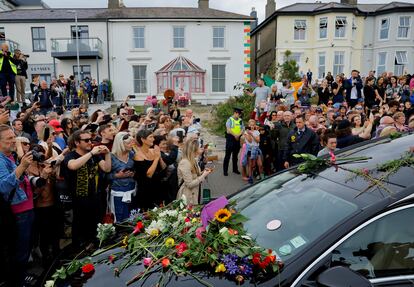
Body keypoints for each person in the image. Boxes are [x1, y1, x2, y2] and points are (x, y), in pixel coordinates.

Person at [63, 130, 111, 247]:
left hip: (95, 197)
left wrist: (107, 154)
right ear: (77, 142)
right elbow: (73, 166)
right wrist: (91, 154)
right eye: (86, 140)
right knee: (80, 230)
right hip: (79, 199)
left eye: (91, 139)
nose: (90, 142)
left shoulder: (95, 155)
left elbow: (106, 168)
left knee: (95, 229)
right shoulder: (71, 155)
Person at [0, 125, 34, 286]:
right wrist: (22, 166)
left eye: (14, 137)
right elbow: (3, 186)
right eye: (9, 139)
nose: (14, 141)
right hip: (17, 210)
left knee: (25, 247)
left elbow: (18, 181)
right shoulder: (0, 160)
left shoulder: (11, 156)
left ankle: (21, 276)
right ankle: (17, 281)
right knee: (18, 250)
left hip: (26, 206)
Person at [134, 129, 166, 210]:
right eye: (150, 137)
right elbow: (149, 174)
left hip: (158, 187)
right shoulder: (138, 155)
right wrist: (156, 158)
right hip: (146, 191)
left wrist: (160, 157)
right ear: (143, 139)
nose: (153, 139)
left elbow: (163, 167)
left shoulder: (153, 151)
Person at [109, 132, 135, 222]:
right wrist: (117, 175)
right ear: (120, 144)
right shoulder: (111, 156)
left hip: (132, 190)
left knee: (132, 217)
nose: (131, 145)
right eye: (128, 143)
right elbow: (104, 175)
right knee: (119, 218)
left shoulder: (132, 154)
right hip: (118, 192)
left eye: (132, 142)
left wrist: (133, 174)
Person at [177, 137, 212, 205]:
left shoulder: (193, 160)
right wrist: (203, 175)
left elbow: (194, 175)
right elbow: (189, 184)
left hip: (194, 193)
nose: (201, 148)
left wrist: (203, 172)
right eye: (199, 147)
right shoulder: (185, 163)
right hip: (187, 196)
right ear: (194, 149)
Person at [223, 107, 244, 176]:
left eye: (240, 114)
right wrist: (235, 135)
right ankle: (225, 171)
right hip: (230, 138)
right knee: (227, 155)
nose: (239, 115)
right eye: (238, 114)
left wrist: (238, 135)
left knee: (235, 156)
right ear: (235, 113)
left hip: (237, 139)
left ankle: (235, 169)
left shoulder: (240, 120)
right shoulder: (230, 120)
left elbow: (242, 129)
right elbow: (228, 129)